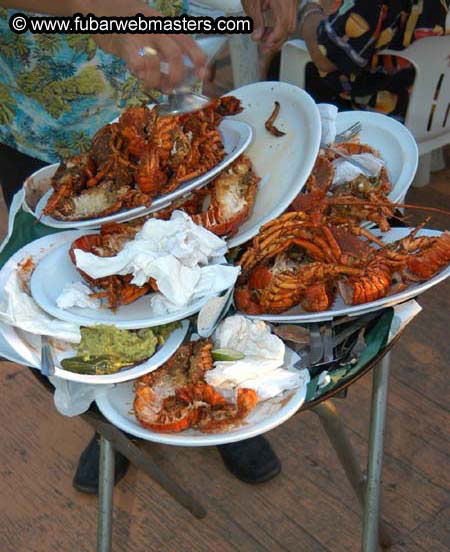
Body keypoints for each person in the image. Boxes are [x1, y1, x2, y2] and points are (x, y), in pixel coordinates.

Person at [0, 0, 281, 489]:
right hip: (45, 118)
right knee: (69, 303)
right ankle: (112, 421)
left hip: (169, 94)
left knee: (200, 268)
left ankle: (213, 388)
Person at [297, 0, 449, 120]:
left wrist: (310, 6)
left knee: (284, 61)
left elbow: (324, 58)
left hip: (373, 111)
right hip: (436, 110)